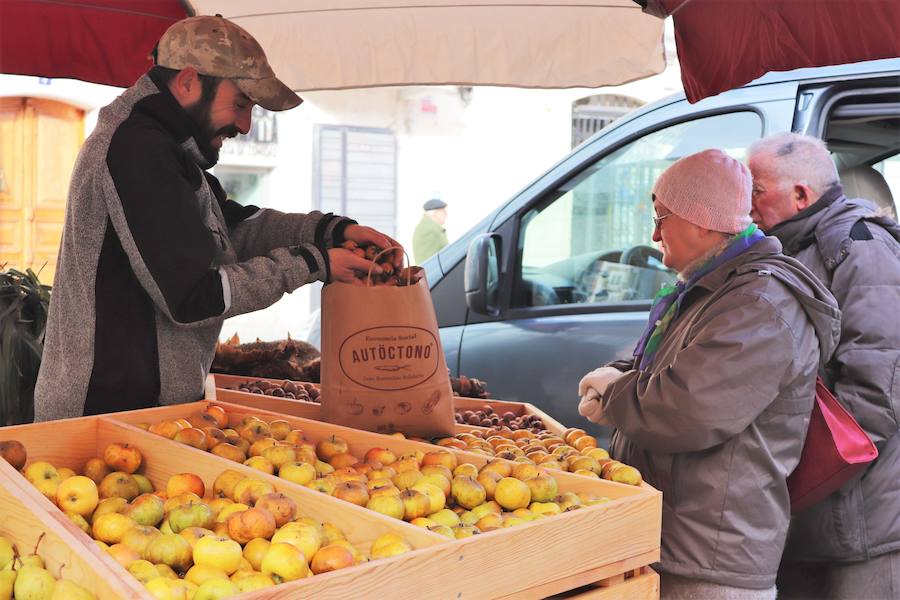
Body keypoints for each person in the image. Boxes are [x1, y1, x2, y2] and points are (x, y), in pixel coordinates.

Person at [33, 15, 401, 421]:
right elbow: (194, 298)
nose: (245, 125)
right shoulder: (137, 149)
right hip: (104, 416)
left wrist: (331, 232)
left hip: (133, 411)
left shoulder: (167, 150)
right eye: (240, 104)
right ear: (188, 82)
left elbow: (233, 228)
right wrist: (315, 262)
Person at [577, 149, 840, 600]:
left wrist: (615, 394)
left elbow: (689, 408)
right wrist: (616, 373)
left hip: (711, 560)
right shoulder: (714, 285)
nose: (654, 234)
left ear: (701, 221)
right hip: (678, 540)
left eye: (662, 218)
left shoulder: (760, 303)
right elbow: (661, 363)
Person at [747, 133, 900, 600]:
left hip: (859, 520)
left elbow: (879, 385)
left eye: (756, 190)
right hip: (809, 511)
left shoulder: (859, 245)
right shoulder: (787, 248)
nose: (746, 204)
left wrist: (809, 471)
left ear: (800, 194)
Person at [412, 198, 449, 263]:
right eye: (444, 212)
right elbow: (429, 260)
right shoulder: (431, 229)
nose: (446, 215)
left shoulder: (427, 227)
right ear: (434, 213)